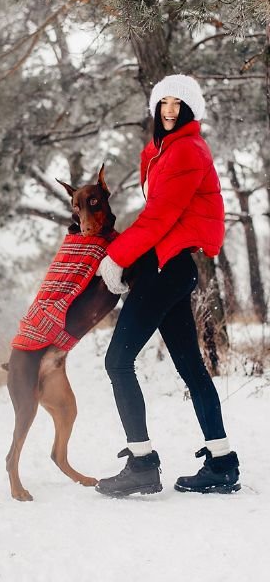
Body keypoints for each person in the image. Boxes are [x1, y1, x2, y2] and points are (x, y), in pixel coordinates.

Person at [93, 74, 238, 497]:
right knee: (191, 368)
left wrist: (117, 257)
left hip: (167, 269)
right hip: (170, 267)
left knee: (117, 361)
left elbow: (160, 216)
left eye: (179, 103)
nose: (170, 110)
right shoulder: (164, 151)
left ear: (191, 109)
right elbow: (160, 216)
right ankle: (222, 463)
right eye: (164, 102)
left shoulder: (187, 150)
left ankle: (142, 465)